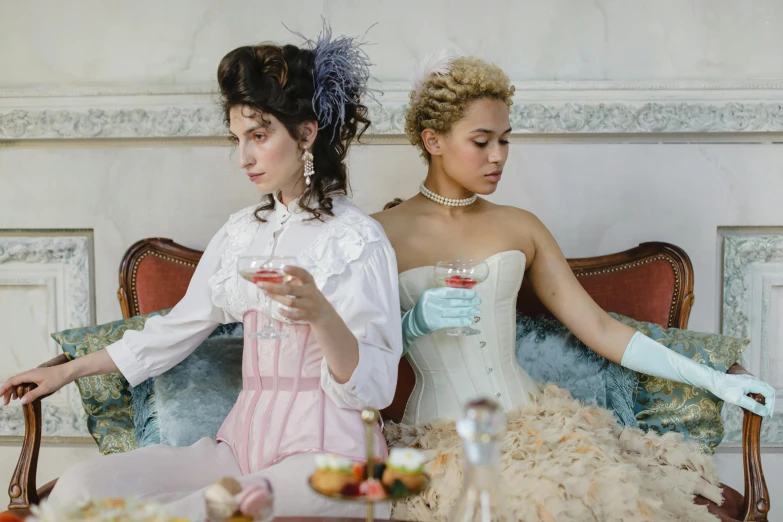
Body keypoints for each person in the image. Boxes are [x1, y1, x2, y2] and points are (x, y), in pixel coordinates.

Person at [1, 27, 401, 520]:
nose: (244, 158)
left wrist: (320, 312)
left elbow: (377, 387)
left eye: (259, 135)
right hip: (239, 451)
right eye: (237, 139)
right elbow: (174, 330)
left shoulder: (359, 241)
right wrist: (65, 370)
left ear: (305, 133)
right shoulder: (240, 234)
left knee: (212, 508)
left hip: (335, 462)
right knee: (82, 487)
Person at [372, 52, 776, 521]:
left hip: (534, 426)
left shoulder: (521, 226)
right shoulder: (377, 235)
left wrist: (711, 378)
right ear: (433, 140)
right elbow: (351, 358)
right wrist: (413, 323)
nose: (498, 155)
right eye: (481, 141)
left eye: (505, 140)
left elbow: (600, 329)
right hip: (439, 441)